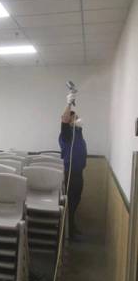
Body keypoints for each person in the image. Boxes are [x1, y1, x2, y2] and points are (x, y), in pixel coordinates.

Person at [59, 93, 87, 240]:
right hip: (70, 172)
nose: (78, 119)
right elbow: (63, 119)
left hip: (79, 172)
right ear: (70, 121)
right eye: (75, 118)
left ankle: (72, 227)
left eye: (77, 117)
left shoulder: (78, 132)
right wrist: (69, 103)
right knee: (70, 203)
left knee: (75, 201)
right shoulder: (67, 134)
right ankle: (69, 233)